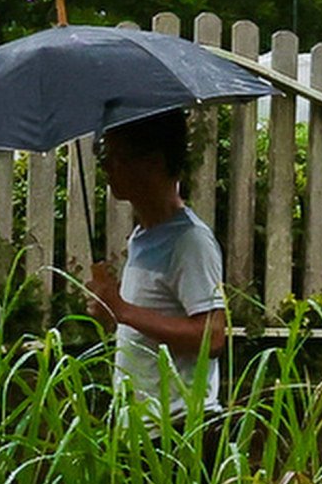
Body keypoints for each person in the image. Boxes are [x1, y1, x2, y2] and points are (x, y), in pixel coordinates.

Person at [84, 106, 227, 412]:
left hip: (178, 430)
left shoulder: (190, 240)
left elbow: (212, 337)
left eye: (116, 155)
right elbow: (146, 321)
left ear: (154, 162)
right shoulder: (142, 236)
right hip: (142, 433)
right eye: (103, 154)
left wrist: (123, 310)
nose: (106, 166)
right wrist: (114, 313)